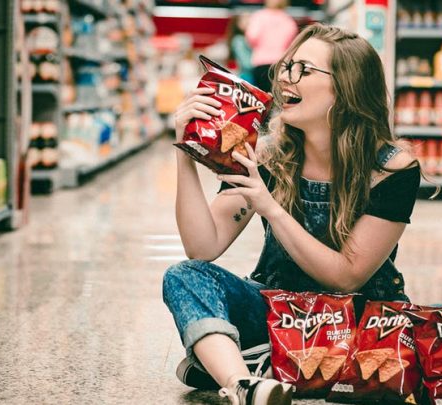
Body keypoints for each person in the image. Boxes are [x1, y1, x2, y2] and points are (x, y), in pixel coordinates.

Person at [164, 24, 422, 405]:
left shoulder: (391, 169)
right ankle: (245, 384)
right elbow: (202, 247)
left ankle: (251, 359)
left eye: (303, 70)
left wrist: (270, 206)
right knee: (184, 277)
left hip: (356, 320)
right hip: (278, 312)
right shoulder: (266, 155)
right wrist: (186, 151)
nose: (286, 78)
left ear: (346, 88)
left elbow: (347, 276)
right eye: (287, 67)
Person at [245, 0, 298, 92]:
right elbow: (292, 44)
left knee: (262, 96)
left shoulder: (259, 16)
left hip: (261, 62)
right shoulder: (288, 20)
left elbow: (252, 37)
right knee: (277, 95)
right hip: (281, 64)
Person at [226, 13, 254, 84]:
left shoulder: (249, 39)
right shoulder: (239, 40)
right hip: (247, 77)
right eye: (245, 19)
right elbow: (246, 63)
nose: (249, 20)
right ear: (237, 24)